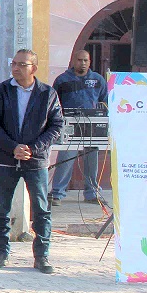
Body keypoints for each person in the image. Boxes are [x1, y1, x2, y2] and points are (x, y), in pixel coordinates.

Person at [0, 49, 64, 274]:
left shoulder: (47, 93)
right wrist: (13, 147)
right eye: (14, 64)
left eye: (22, 64)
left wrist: (33, 148)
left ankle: (42, 256)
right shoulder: (2, 91)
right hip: (6, 159)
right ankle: (1, 253)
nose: (16, 68)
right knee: (1, 208)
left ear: (34, 69)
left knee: (41, 209)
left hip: (36, 160)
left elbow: (56, 126)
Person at [50, 49, 108, 205]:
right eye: (79, 60)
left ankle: (91, 193)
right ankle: (57, 194)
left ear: (90, 62)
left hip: (92, 125)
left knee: (91, 160)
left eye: (86, 60)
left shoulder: (98, 80)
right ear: (73, 61)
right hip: (69, 124)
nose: (82, 63)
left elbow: (105, 102)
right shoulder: (62, 80)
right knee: (66, 158)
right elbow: (54, 104)